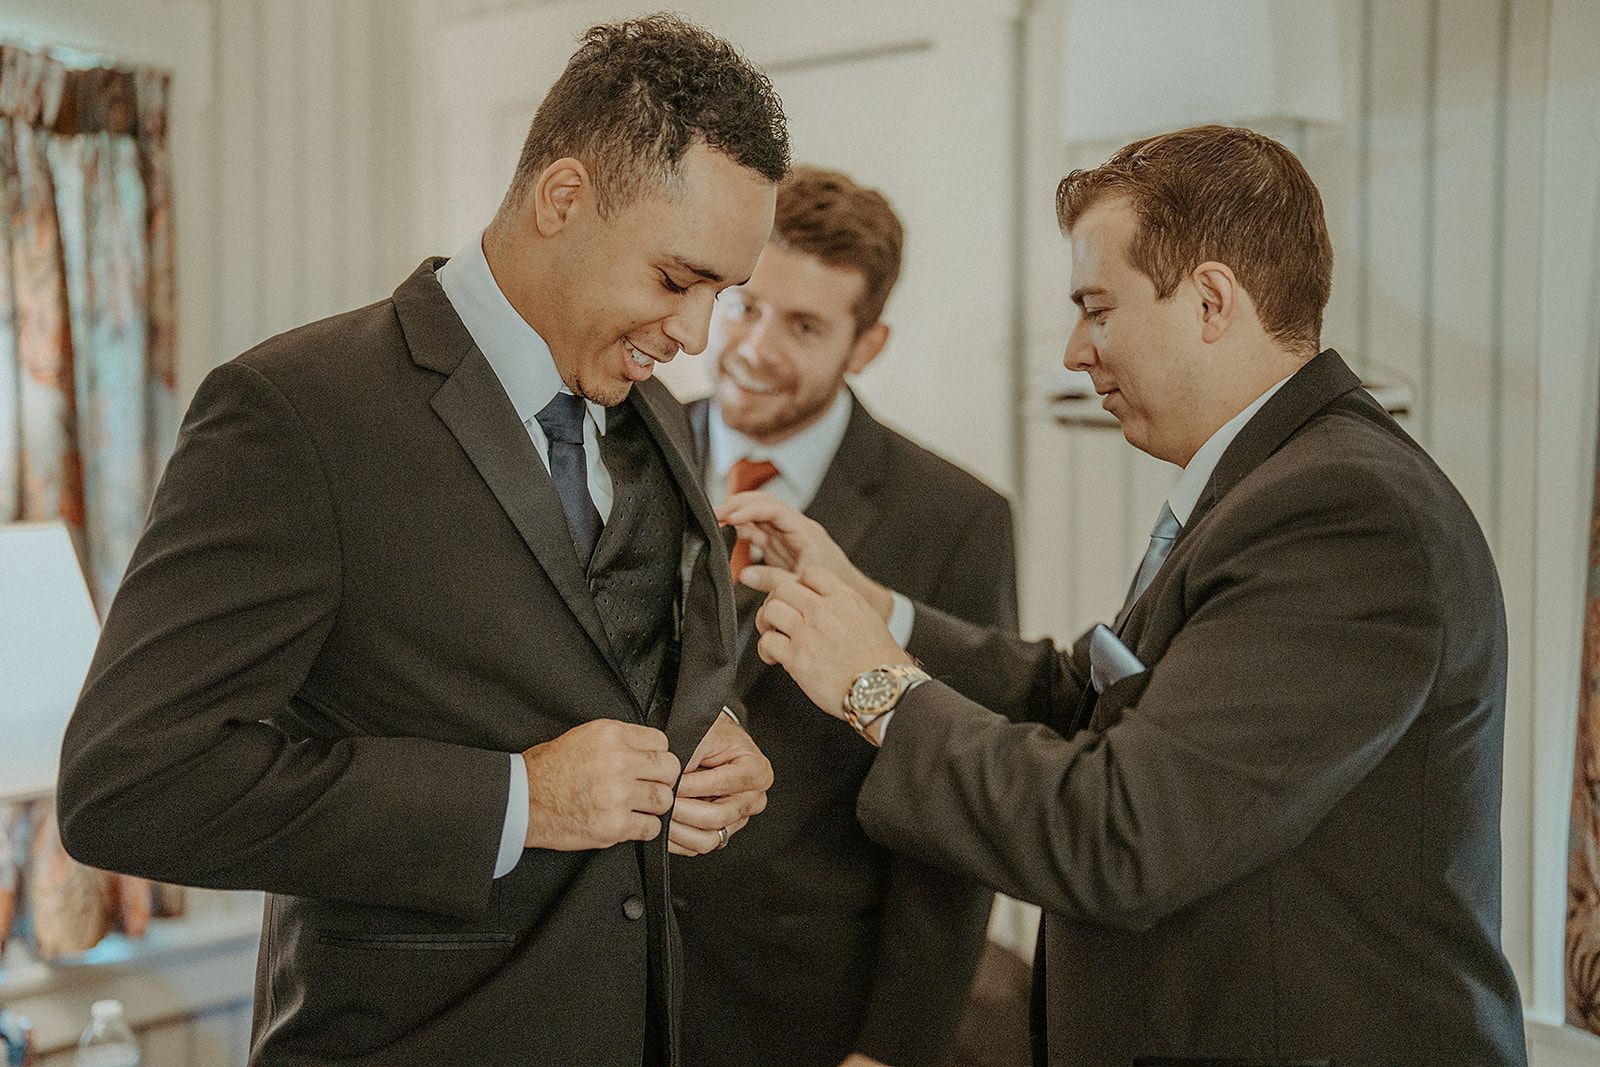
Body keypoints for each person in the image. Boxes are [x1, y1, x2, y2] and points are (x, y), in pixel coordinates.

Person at [56, 15, 787, 1065]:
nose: (696, 335)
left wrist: (714, 739)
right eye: (677, 280)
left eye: (724, 292)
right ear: (563, 198)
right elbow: (128, 784)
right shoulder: (295, 412)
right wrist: (516, 801)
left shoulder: (653, 412)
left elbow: (622, 661)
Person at [724, 125, 1528, 1065]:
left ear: (1212, 300)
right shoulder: (1272, 480)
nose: (1075, 351)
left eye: (1097, 309)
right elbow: (1085, 695)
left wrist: (877, 688)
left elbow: (1120, 833)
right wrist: (877, 608)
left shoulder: (1347, 513)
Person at [671, 166, 1016, 1067]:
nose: (753, 346)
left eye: (804, 326)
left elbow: (950, 807)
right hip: (605, 986)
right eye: (745, 305)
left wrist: (896, 1047)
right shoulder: (626, 445)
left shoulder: (955, 519)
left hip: (807, 1007)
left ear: (867, 345)